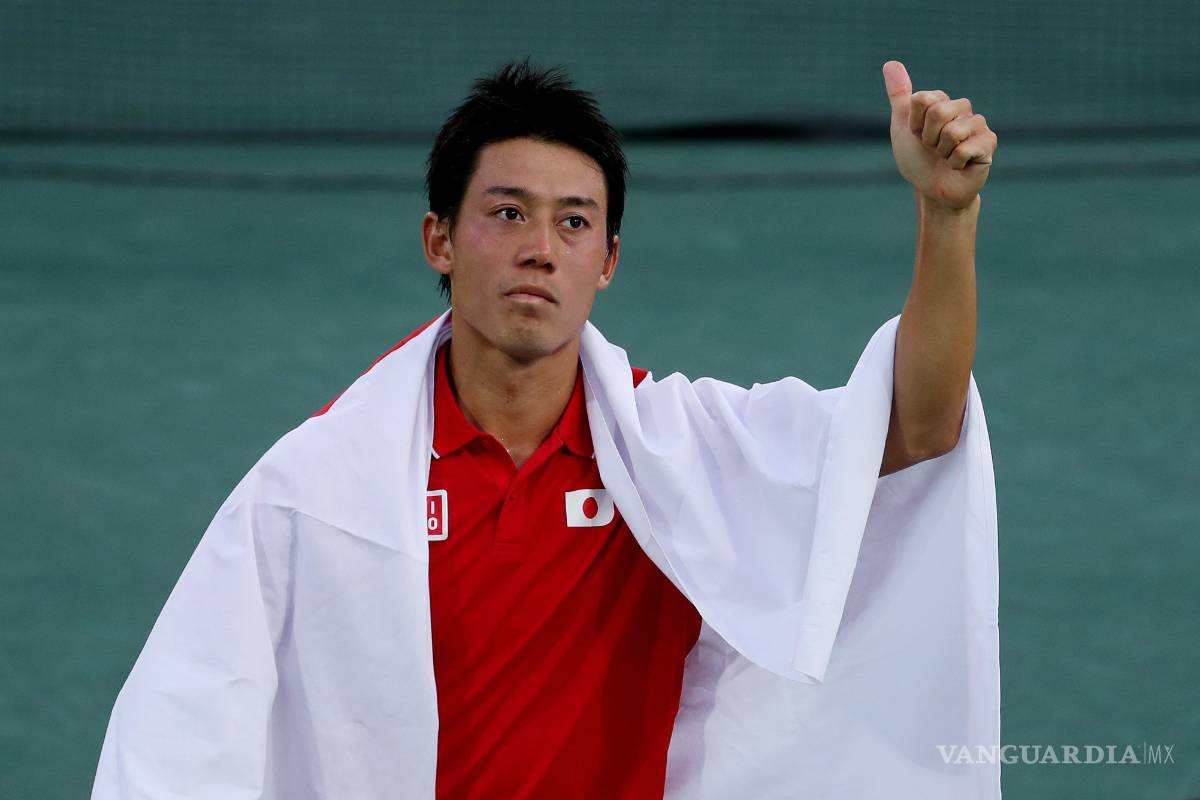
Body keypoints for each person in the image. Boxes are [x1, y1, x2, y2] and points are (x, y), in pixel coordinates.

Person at [92, 60, 1000, 799]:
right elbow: (184, 730)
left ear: (605, 263)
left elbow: (919, 427)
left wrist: (947, 214)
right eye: (507, 213)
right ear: (439, 241)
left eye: (575, 223)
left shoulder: (679, 454)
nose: (541, 248)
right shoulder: (315, 486)